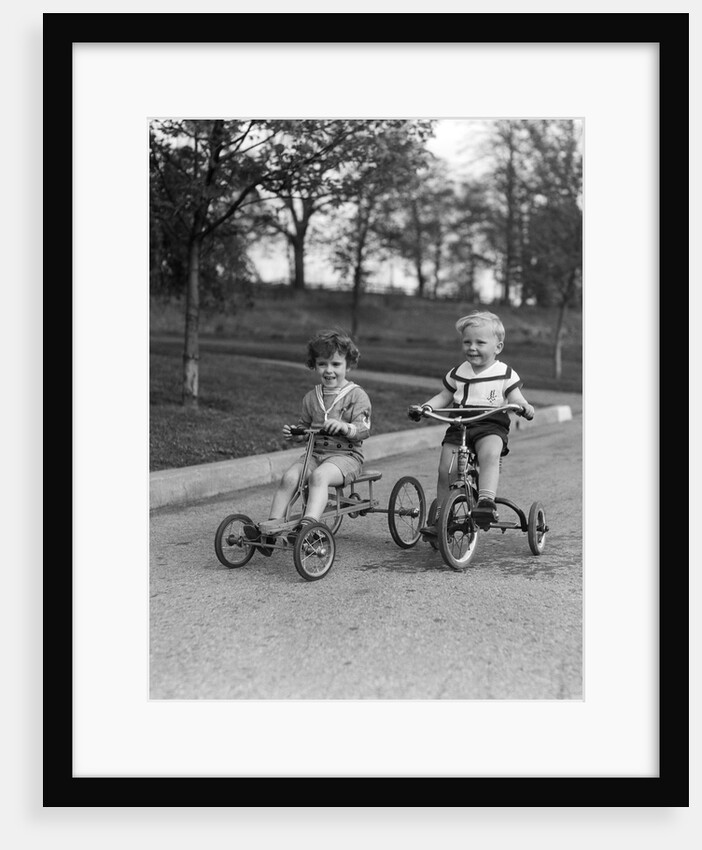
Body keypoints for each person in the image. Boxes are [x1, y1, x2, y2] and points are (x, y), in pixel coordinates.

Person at [408, 310, 534, 534]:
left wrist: (524, 406)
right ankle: (442, 516)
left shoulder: (505, 373)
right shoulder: (458, 372)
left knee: (489, 454)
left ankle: (486, 501)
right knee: (445, 469)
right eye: (467, 342)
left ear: (498, 347)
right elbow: (444, 396)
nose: (472, 347)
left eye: (480, 342)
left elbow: (515, 397)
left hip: (491, 423)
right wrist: (426, 407)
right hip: (460, 424)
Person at [246, 329, 372, 552]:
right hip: (315, 454)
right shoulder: (311, 397)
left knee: (318, 477)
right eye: (322, 364)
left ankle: (308, 527)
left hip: (346, 457)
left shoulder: (356, 395)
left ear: (348, 365)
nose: (329, 370)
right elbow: (305, 428)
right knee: (289, 478)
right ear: (314, 365)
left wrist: (345, 427)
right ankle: (272, 529)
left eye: (335, 364)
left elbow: (364, 429)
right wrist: (296, 433)